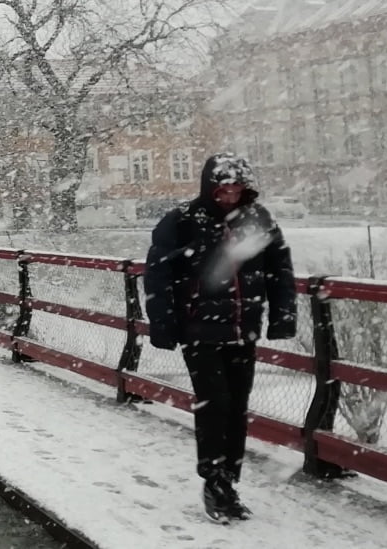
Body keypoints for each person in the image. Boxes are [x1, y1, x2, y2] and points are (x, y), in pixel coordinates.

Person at [143, 152, 297, 523]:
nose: (229, 195)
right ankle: (214, 481)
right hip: (200, 329)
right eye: (223, 188)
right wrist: (163, 323)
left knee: (237, 407)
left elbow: (279, 269)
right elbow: (157, 274)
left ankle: (228, 480)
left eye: (236, 188)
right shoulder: (183, 219)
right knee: (215, 404)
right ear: (210, 187)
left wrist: (283, 315)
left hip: (243, 329)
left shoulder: (259, 219)